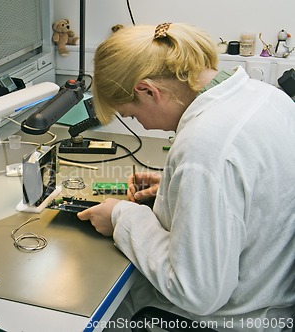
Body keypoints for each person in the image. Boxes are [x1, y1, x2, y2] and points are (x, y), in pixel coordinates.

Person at [77, 23, 295, 331]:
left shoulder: (204, 148)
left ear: (147, 90)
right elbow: (250, 190)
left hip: (228, 321)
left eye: (132, 116)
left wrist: (121, 217)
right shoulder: (266, 96)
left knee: (92, 312)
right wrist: (177, 185)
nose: (143, 127)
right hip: (275, 304)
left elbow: (197, 292)